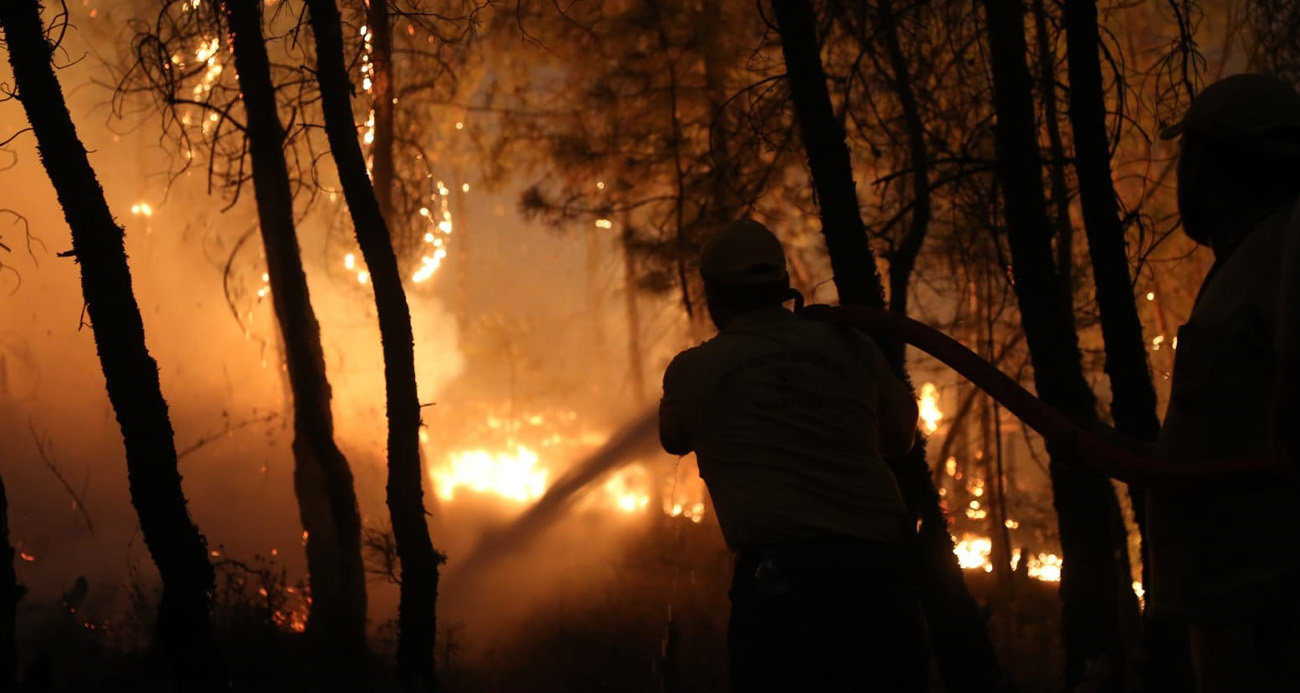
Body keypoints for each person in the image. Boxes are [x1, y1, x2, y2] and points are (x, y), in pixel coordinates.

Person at [657, 219, 928, 692]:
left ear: (711, 292)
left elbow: (674, 438)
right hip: (879, 580)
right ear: (784, 284)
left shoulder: (693, 370)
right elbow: (900, 438)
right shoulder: (852, 344)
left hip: (779, 592)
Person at [1143, 72, 1300, 692]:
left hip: (1267, 612)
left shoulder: (1283, 256)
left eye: (1188, 155)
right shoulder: (1258, 255)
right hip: (1239, 602)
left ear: (1212, 164)